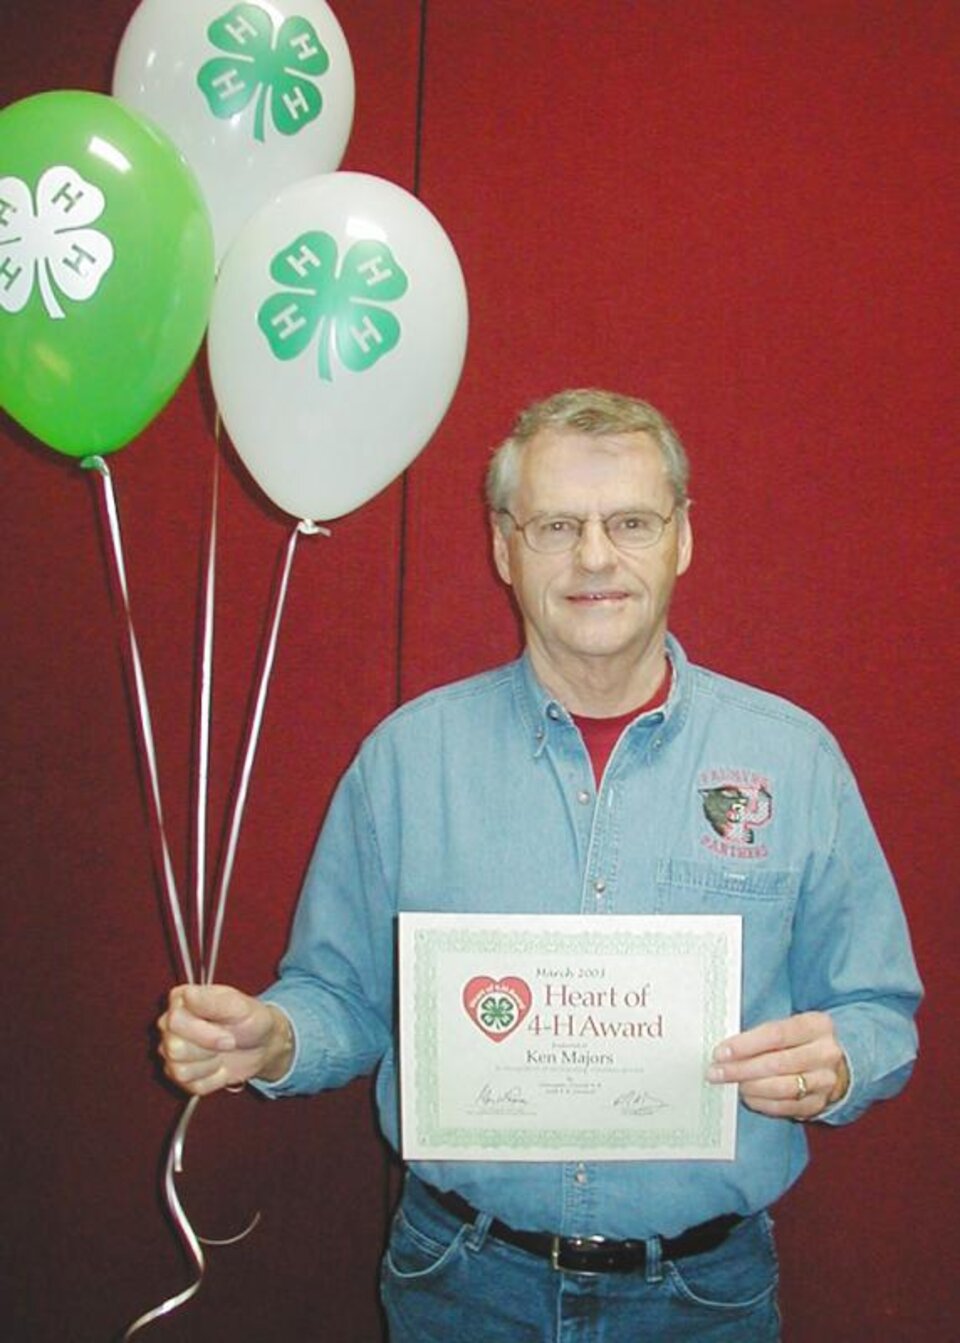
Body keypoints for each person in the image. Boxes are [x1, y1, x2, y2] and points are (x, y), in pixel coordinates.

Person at [159, 389, 922, 1340]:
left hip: (703, 1298)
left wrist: (839, 1063)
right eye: (557, 524)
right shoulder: (406, 759)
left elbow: (881, 1010)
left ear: (682, 538)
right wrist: (271, 1038)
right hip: (461, 1286)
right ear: (503, 547)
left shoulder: (793, 759)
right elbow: (341, 995)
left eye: (630, 522)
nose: (595, 556)